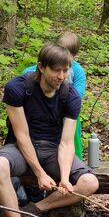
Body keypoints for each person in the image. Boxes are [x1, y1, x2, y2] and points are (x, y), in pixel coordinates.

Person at [0, 42, 100, 217]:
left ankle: (34, 210)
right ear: (41, 67)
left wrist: (66, 178)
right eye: (56, 70)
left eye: (65, 70)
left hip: (52, 149)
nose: (61, 76)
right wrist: (40, 173)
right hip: (20, 147)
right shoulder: (18, 88)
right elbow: (22, 135)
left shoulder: (71, 96)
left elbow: (67, 142)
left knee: (90, 183)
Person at [23, 31, 87, 159]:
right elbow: (25, 78)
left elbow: (77, 95)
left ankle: (75, 160)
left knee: (71, 134)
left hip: (65, 108)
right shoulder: (39, 68)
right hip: (42, 107)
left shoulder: (78, 71)